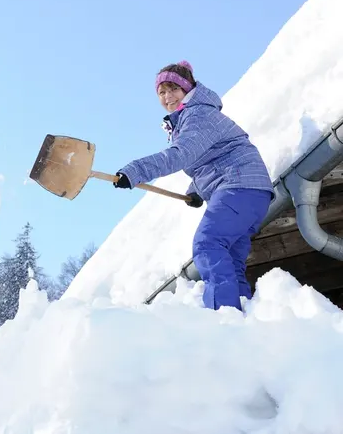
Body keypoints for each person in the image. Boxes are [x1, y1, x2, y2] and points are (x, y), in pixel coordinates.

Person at [114, 61, 273, 311]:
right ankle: (240, 319)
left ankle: (223, 316)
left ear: (187, 89)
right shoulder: (191, 116)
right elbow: (212, 157)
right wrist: (196, 190)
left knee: (207, 244)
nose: (167, 97)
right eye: (162, 92)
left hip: (239, 186)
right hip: (250, 191)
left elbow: (181, 154)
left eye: (173, 89)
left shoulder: (198, 114)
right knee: (230, 260)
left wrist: (136, 171)